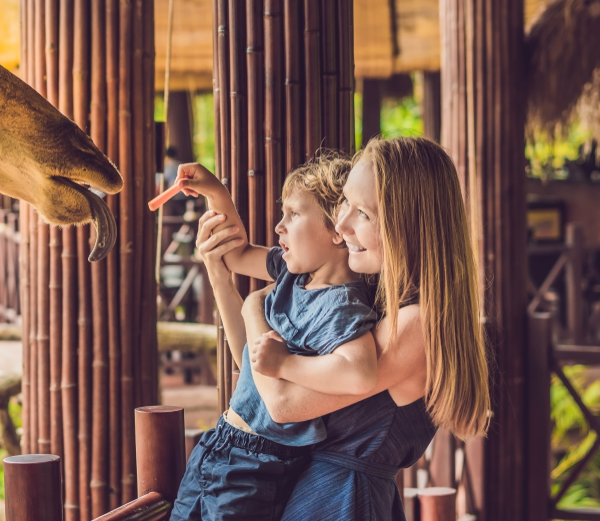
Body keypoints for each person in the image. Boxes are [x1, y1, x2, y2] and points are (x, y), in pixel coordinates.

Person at [199, 136, 490, 520]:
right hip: (316, 495)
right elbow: (256, 375)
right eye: (345, 205)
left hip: (343, 502)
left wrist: (255, 306)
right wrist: (219, 275)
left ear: (409, 224)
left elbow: (282, 403)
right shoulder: (376, 298)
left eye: (363, 213)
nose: (341, 224)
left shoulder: (416, 324)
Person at [169, 155, 380, 521]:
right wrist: (216, 193)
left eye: (294, 214)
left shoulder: (342, 305)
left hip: (257, 466)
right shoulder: (290, 273)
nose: (279, 227)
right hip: (220, 442)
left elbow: (360, 371)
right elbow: (234, 254)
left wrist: (285, 364)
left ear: (336, 231)